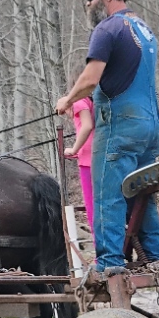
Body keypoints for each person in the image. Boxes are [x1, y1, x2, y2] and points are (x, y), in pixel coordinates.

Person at [55, 0, 159, 276]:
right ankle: (157, 256)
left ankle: (109, 264)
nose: (87, 4)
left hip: (120, 126)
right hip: (151, 128)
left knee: (108, 196)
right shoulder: (144, 29)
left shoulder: (108, 28)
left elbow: (91, 79)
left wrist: (67, 100)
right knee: (142, 194)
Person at [63, 80, 95, 233]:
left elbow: (87, 126)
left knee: (92, 209)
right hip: (93, 156)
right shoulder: (91, 101)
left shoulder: (79, 102)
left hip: (89, 162)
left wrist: (75, 148)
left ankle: (101, 254)